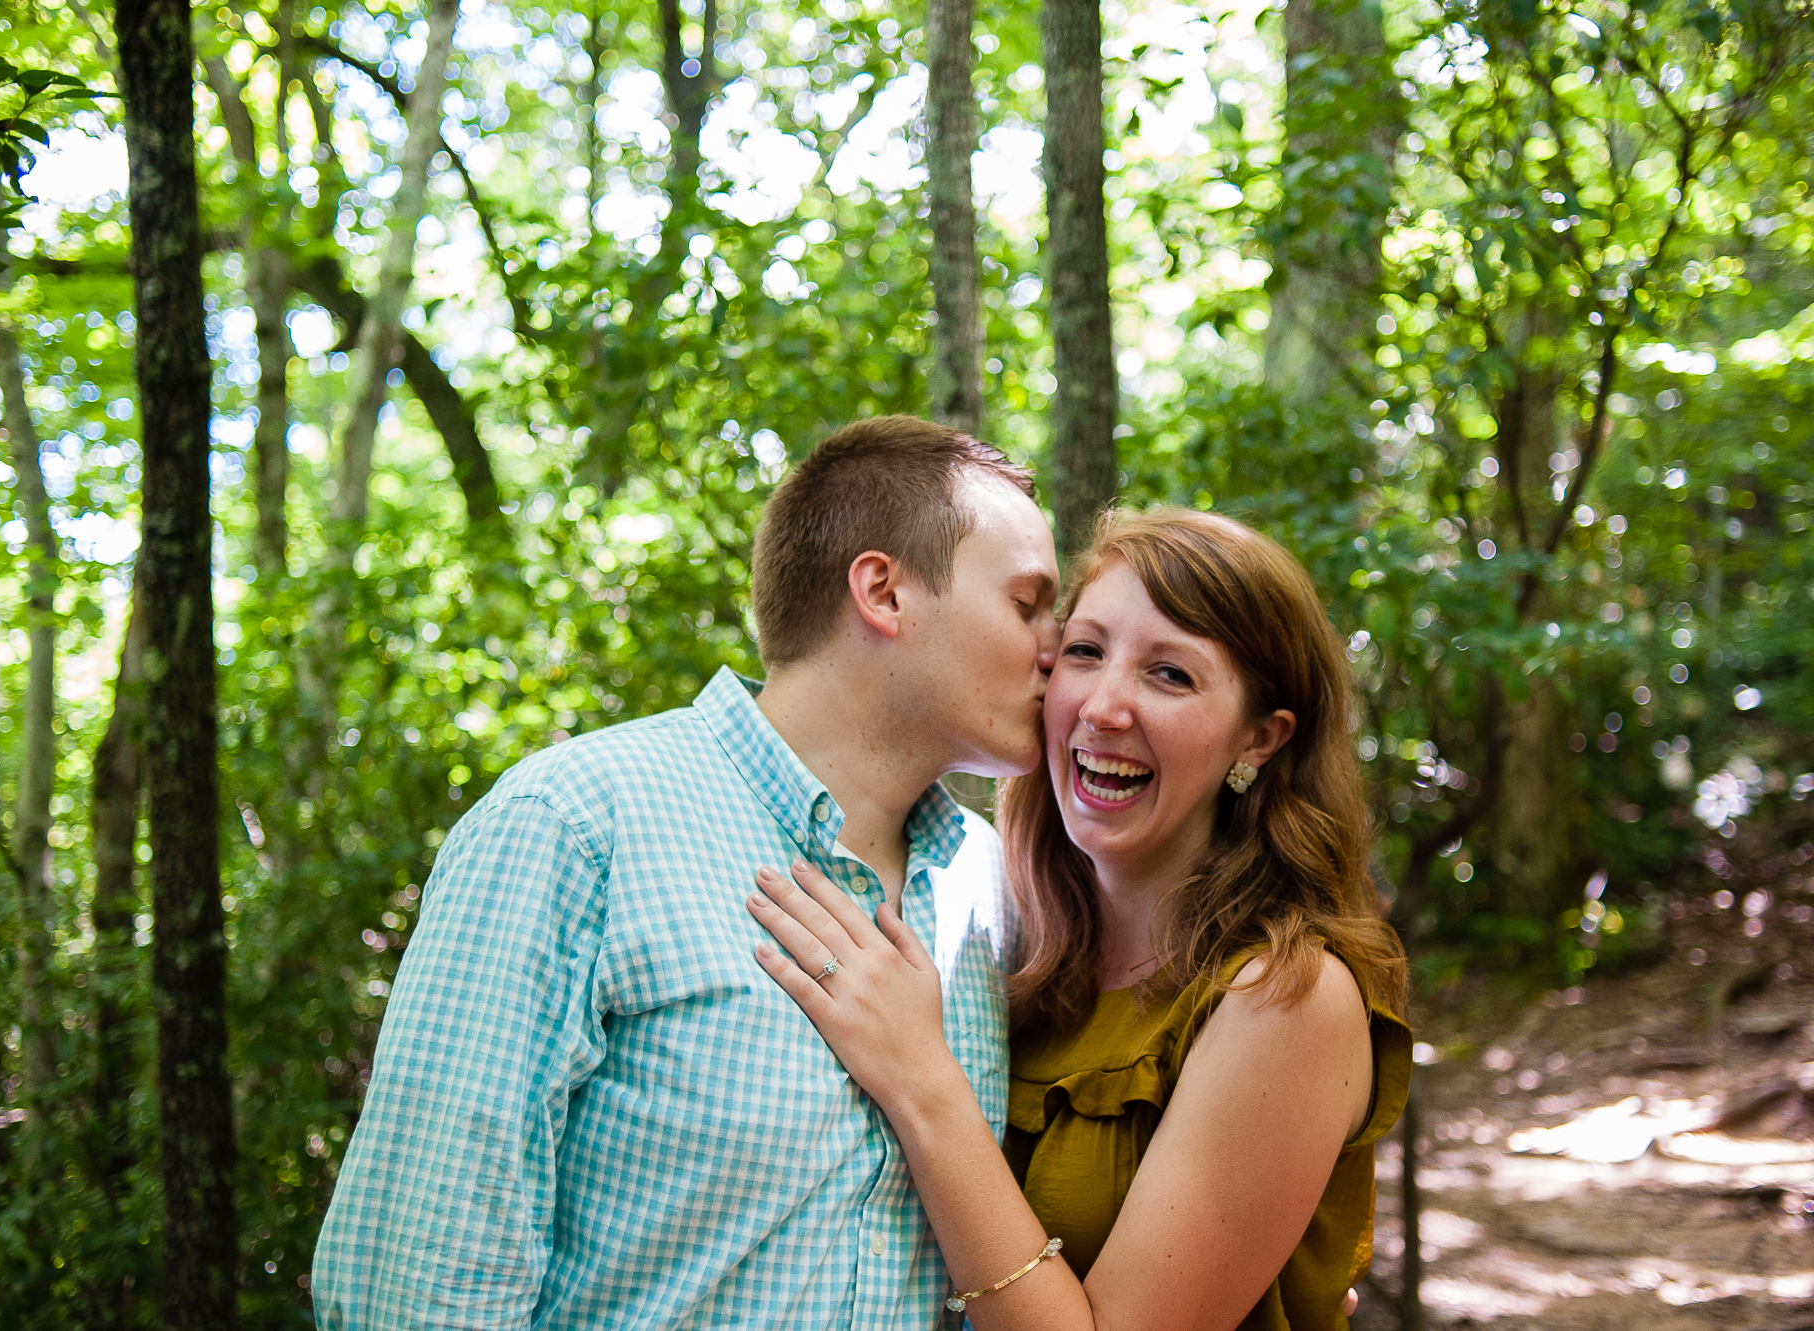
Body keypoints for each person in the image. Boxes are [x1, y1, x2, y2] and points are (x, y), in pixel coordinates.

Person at [311, 416, 1062, 1328]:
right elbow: (418, 1293)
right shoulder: (573, 827)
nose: (1058, 647)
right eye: (1027, 604)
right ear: (884, 591)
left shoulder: (988, 891)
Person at [747, 507, 1411, 1330]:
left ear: (1260, 738)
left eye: (1171, 674)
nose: (1103, 706)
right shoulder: (1001, 940)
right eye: (1086, 653)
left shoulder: (1288, 1000)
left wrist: (922, 1081)